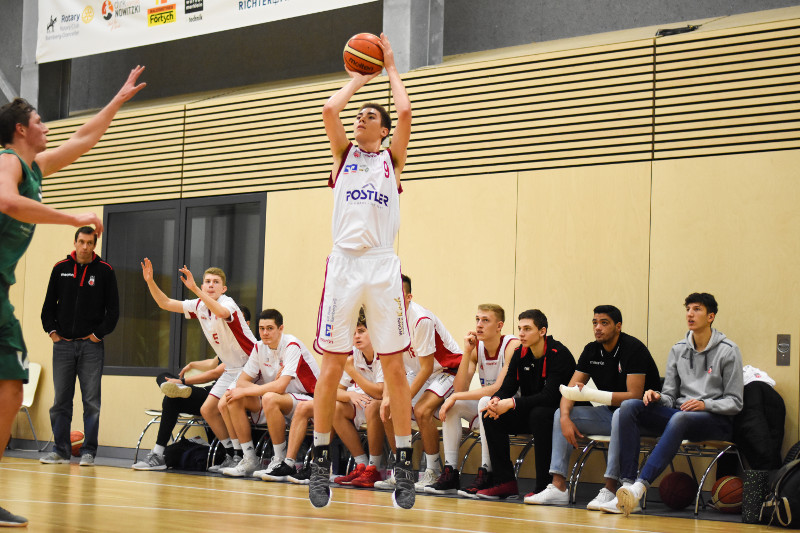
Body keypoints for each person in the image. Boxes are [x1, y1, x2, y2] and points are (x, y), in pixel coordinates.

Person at [0, 66, 144, 526]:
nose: (47, 126)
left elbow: (83, 139)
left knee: (8, 388)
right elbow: (6, 201)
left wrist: (117, 99)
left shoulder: (35, 166)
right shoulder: (7, 161)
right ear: (21, 129)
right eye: (41, 120)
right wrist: (70, 218)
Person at [310, 32, 415, 510]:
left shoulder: (392, 161)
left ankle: (406, 463)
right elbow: (330, 112)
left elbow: (407, 113)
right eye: (361, 116)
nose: (360, 119)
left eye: (370, 116)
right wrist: (357, 78)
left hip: (381, 266)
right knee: (331, 362)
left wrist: (390, 67)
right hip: (344, 265)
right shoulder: (344, 154)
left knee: (393, 363)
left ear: (383, 129)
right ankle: (317, 460)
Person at [604, 293, 744, 516]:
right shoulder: (678, 349)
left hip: (715, 420)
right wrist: (657, 396)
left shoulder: (728, 350)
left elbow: (735, 402)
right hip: (681, 415)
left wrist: (704, 404)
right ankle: (627, 487)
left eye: (696, 309)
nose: (690, 313)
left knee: (680, 416)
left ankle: (640, 487)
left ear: (711, 316)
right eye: (688, 309)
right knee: (630, 406)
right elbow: (670, 396)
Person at [526, 305, 660, 509]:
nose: (598, 327)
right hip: (610, 414)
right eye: (595, 323)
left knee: (620, 414)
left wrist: (591, 394)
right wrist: (564, 418)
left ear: (618, 326)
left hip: (643, 416)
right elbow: (569, 391)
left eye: (604, 323)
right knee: (559, 413)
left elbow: (634, 396)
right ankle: (558, 487)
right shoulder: (591, 350)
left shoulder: (633, 349)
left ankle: (610, 488)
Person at [141, 260, 256, 472]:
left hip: (251, 364)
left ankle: (245, 457)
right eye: (207, 282)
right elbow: (165, 303)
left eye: (216, 282)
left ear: (224, 288)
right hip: (231, 368)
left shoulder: (228, 304)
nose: (211, 285)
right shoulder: (200, 306)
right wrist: (150, 282)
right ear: (203, 286)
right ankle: (231, 453)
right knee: (207, 409)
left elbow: (221, 313)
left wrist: (194, 288)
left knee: (226, 405)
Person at [131, 306, 251, 471]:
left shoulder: (247, 347)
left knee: (174, 395)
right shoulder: (226, 344)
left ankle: (159, 453)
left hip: (219, 396)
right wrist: (192, 364)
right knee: (166, 384)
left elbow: (215, 372)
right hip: (210, 393)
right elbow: (212, 363)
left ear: (247, 324)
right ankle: (158, 453)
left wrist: (183, 381)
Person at [39, 227, 119, 466]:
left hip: (91, 347)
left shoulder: (106, 271)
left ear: (95, 245)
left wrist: (97, 334)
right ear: (75, 242)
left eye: (89, 243)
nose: (85, 246)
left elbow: (113, 311)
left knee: (91, 402)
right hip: (62, 346)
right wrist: (52, 332)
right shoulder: (59, 268)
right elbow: (48, 307)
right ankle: (60, 451)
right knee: (61, 401)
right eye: (81, 242)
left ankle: (88, 452)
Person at [375, 274, 462, 493]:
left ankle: (433, 469)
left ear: (408, 297)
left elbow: (426, 368)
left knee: (422, 410)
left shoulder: (420, 320)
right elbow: (390, 366)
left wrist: (403, 399)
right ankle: (401, 468)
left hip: (447, 369)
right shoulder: (385, 322)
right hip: (418, 371)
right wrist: (388, 398)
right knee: (387, 409)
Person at [477, 309, 575, 500]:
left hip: (559, 413)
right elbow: (508, 386)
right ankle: (504, 482)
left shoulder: (558, 353)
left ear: (542, 331)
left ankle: (543, 486)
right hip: (533, 412)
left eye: (527, 329)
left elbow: (550, 396)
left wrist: (512, 403)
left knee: (539, 414)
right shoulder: (519, 353)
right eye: (520, 328)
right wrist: (497, 400)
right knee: (490, 415)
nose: (521, 333)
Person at [425, 304, 519, 497]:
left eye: (486, 320)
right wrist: (467, 353)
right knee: (454, 406)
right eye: (477, 319)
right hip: (489, 406)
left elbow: (498, 389)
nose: (479, 325)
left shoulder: (512, 345)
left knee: (483, 400)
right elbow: (460, 388)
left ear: (499, 325)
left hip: (513, 407)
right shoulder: (478, 348)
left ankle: (486, 472)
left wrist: (455, 396)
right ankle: (451, 472)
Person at [219, 309, 319, 479]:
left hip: (307, 399)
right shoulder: (259, 347)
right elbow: (243, 381)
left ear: (281, 329)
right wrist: (244, 391)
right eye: (262, 328)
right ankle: (249, 458)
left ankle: (279, 460)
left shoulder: (291, 345)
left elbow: (280, 387)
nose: (265, 333)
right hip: (278, 399)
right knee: (233, 399)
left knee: (269, 397)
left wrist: (250, 389)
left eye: (270, 328)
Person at [331, 309, 386, 488]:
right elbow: (334, 391)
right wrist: (349, 394)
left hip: (387, 403)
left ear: (374, 331)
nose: (356, 336)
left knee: (373, 406)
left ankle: (374, 467)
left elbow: (380, 392)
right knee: (334, 408)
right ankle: (361, 463)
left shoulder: (383, 351)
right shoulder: (354, 353)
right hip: (367, 401)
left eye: (361, 331)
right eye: (353, 333)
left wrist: (353, 371)